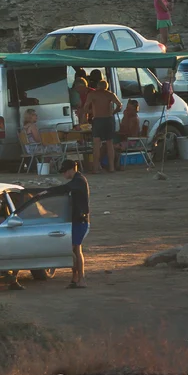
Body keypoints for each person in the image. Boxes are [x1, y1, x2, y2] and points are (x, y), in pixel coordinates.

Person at [36, 160, 90, 288]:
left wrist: (47, 192)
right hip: (76, 220)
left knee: (76, 250)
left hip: (80, 221)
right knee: (74, 250)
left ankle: (81, 279)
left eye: (65, 171)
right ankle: (75, 278)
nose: (64, 174)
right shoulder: (76, 181)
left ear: (72, 169)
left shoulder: (79, 181)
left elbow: (64, 188)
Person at [84, 80, 122, 173]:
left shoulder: (92, 94)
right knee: (110, 143)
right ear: (106, 86)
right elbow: (119, 105)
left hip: (98, 119)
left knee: (96, 144)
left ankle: (96, 168)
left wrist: (91, 112)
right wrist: (113, 112)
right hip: (109, 119)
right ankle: (112, 167)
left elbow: (85, 107)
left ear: (97, 86)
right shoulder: (110, 94)